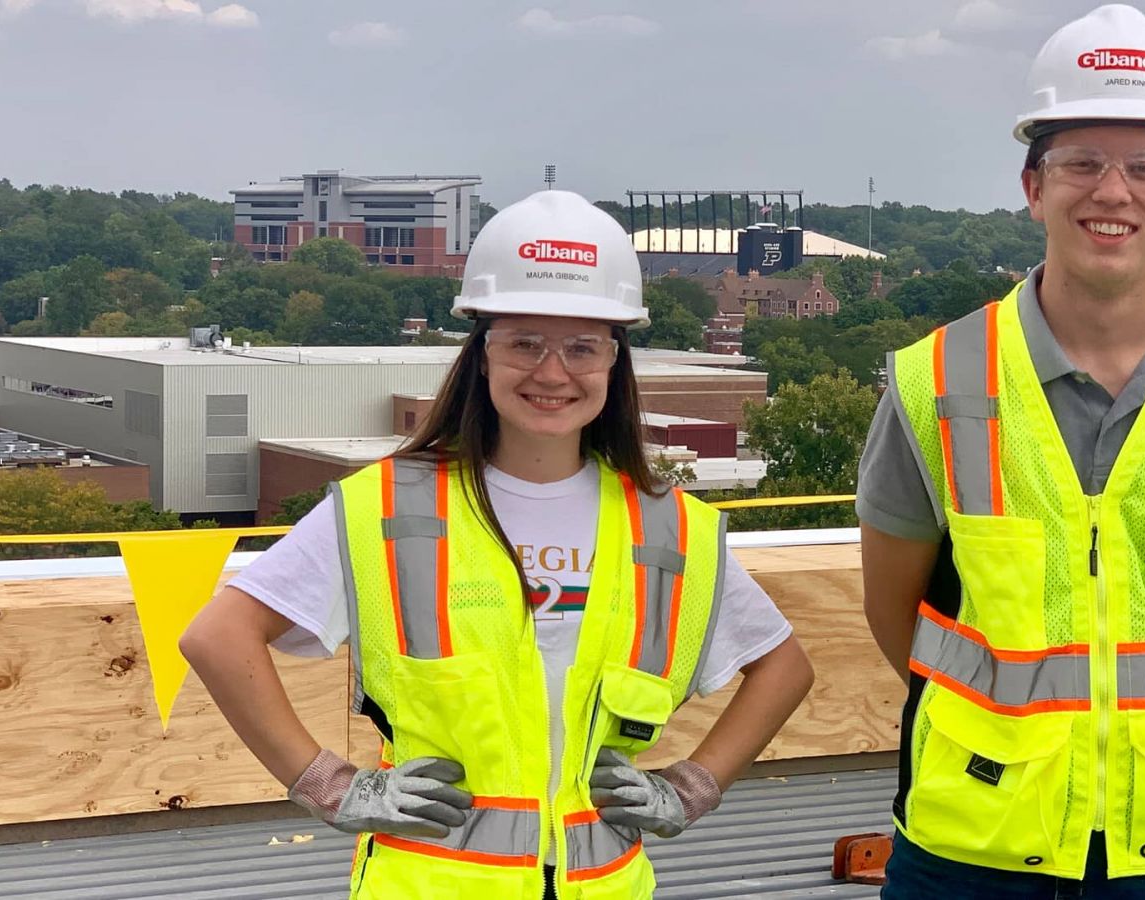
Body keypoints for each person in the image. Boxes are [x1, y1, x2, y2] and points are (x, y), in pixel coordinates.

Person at [181, 189, 814, 899]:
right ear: (481, 355)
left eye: (582, 346)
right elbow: (218, 636)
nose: (552, 372)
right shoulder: (392, 508)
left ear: (615, 359)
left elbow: (784, 668)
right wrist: (325, 784)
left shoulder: (668, 528)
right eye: (523, 343)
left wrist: (694, 786)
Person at [855, 5, 1145, 898]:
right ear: (1034, 187)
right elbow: (896, 620)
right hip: (969, 852)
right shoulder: (936, 382)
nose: (1112, 192)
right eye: (1081, 163)